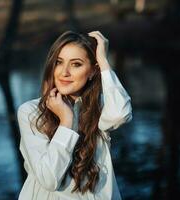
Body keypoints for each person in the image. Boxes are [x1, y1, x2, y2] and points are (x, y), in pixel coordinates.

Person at [16, 30, 132, 200]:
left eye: (76, 64)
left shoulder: (98, 106)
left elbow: (121, 114)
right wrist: (66, 121)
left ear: (92, 71)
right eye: (59, 62)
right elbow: (49, 179)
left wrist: (103, 62)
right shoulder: (31, 112)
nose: (64, 72)